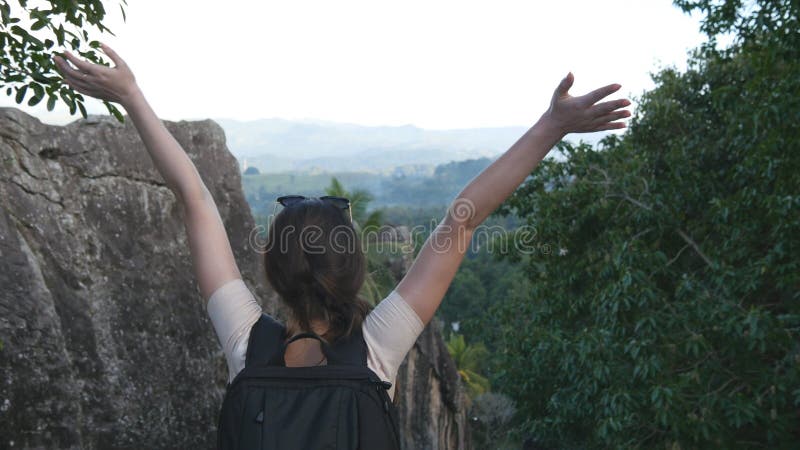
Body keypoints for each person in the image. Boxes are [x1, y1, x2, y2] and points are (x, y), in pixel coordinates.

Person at [54, 43, 630, 439]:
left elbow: (194, 196)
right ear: (356, 268)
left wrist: (131, 95)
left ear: (270, 266)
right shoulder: (376, 350)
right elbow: (463, 220)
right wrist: (551, 127)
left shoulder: (245, 345)